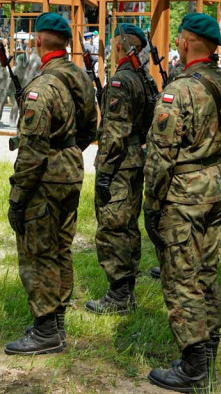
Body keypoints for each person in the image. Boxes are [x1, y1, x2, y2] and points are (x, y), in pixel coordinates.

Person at [143, 13, 221, 392]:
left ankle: (193, 364)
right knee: (206, 270)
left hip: (182, 192)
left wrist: (152, 203)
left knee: (181, 275)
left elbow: (161, 153)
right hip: (215, 184)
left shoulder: (179, 90)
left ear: (184, 43)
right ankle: (209, 346)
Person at [4, 13, 97, 356]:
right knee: (60, 247)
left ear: (38, 42)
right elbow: (90, 126)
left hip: (45, 176)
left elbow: (31, 150)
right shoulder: (78, 77)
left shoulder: (41, 87)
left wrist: (17, 198)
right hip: (71, 169)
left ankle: (45, 331)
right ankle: (56, 323)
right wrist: (68, 150)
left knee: (38, 252)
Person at [86, 24, 149, 315]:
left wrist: (106, 170)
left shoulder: (121, 81)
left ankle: (119, 295)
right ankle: (126, 290)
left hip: (120, 162)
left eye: (114, 47)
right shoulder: (142, 78)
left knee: (113, 228)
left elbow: (114, 131)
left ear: (122, 47)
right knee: (128, 226)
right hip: (135, 158)